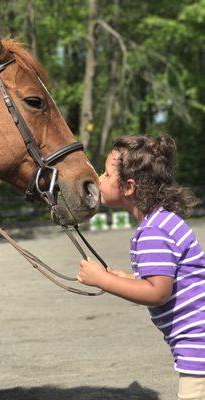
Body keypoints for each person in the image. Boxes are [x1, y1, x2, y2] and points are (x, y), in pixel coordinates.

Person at [77, 134, 205, 400]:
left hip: (198, 346)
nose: (99, 179)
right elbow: (164, 277)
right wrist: (127, 277)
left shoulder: (152, 232)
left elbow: (158, 292)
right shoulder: (164, 221)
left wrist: (103, 280)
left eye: (106, 174)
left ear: (128, 187)